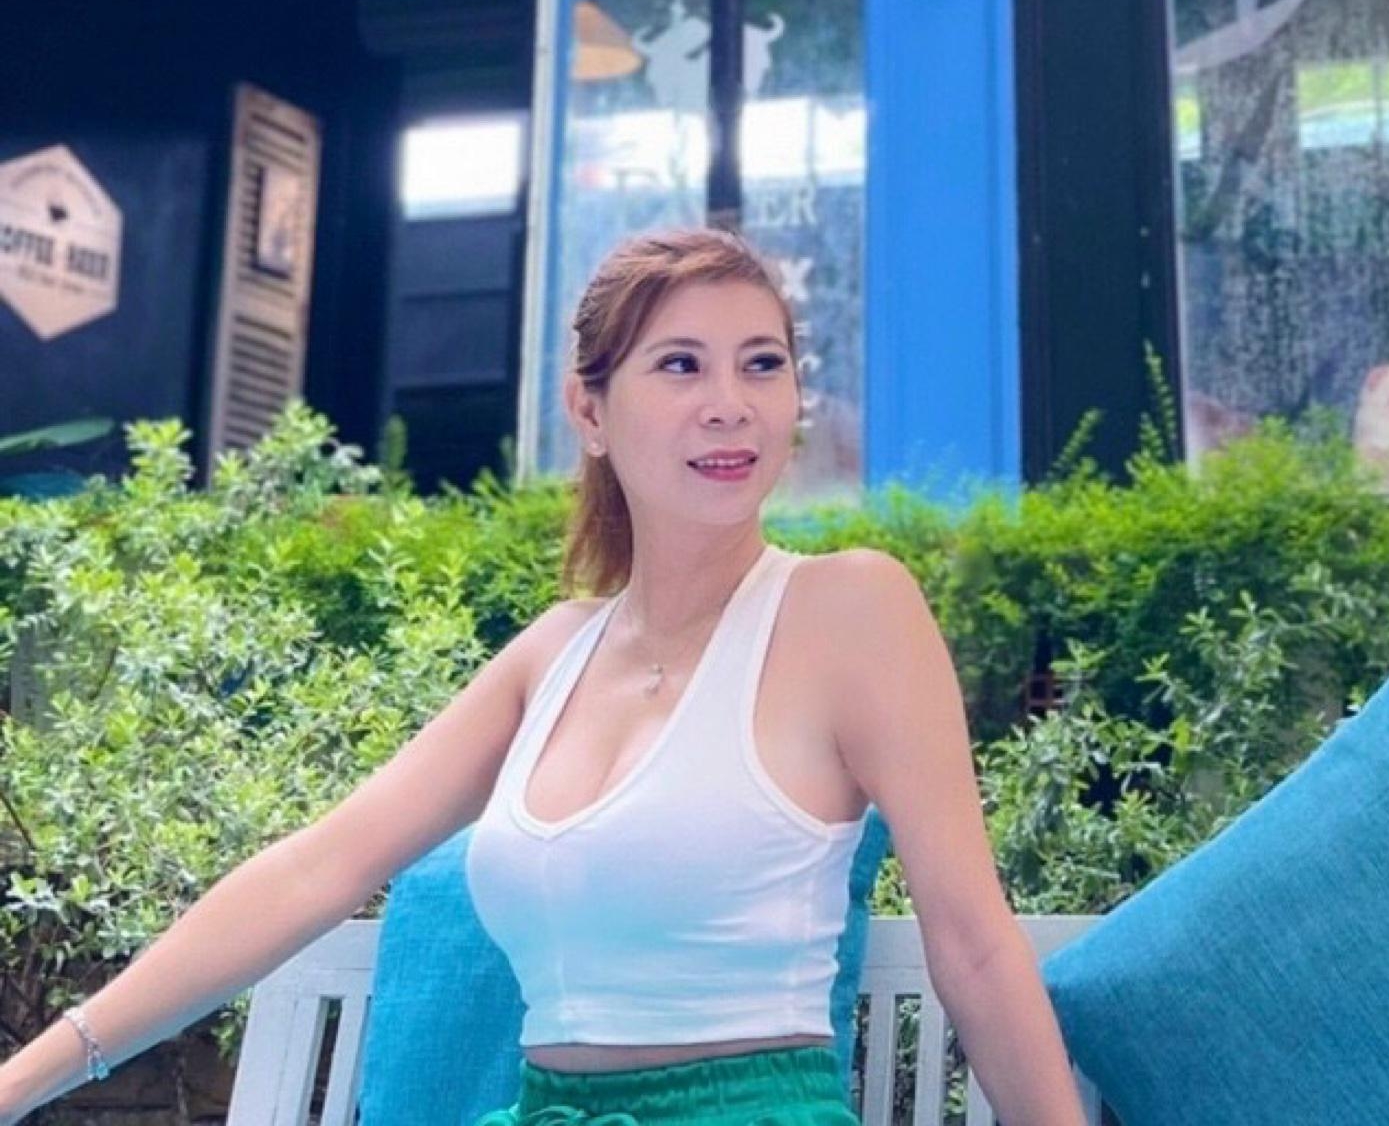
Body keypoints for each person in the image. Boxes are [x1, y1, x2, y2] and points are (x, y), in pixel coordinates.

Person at [0, 226, 1087, 1126]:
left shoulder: (850, 609)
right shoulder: (551, 655)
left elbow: (972, 944)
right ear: (590, 411)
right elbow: (314, 871)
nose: (730, 403)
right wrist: (24, 1080)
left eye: (763, 363)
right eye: (681, 365)